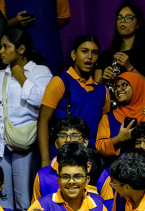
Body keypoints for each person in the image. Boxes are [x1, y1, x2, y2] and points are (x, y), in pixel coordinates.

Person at [0, 28, 50, 210]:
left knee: (25, 201)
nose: (1, 51)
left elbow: (42, 100)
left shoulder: (40, 72)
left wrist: (20, 76)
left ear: (21, 49)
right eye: (0, 47)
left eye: (6, 47)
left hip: (25, 145)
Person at [37, 35, 107, 168]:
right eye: (84, 51)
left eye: (94, 52)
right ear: (74, 54)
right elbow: (42, 121)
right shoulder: (60, 82)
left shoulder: (103, 91)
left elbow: (105, 131)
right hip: (62, 158)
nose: (89, 57)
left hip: (91, 160)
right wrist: (45, 161)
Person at [95, 71, 145, 159]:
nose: (119, 89)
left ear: (137, 87)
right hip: (117, 170)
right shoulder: (108, 118)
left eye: (124, 85)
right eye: (117, 87)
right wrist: (119, 138)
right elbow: (100, 148)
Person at [105, 2, 145, 83]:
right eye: (119, 17)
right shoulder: (106, 55)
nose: (122, 21)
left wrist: (129, 67)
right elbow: (96, 90)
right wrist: (103, 79)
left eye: (128, 17)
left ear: (138, 24)